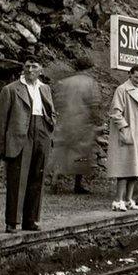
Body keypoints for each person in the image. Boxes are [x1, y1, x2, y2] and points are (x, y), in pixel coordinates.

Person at [0, 55, 57, 233]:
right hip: (19, 135)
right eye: (27, 66)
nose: (30, 70)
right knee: (17, 179)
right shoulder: (11, 89)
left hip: (42, 132)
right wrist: (2, 145)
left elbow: (51, 110)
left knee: (37, 178)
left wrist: (50, 123)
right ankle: (12, 221)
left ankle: (31, 220)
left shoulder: (45, 89)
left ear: (41, 70)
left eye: (34, 66)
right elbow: (1, 121)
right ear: (23, 68)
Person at [47, 55, 101, 195]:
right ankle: (77, 184)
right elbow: (94, 104)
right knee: (81, 154)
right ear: (89, 68)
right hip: (82, 123)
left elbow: (57, 102)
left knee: (62, 151)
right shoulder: (90, 83)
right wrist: (97, 121)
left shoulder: (64, 82)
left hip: (65, 122)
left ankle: (54, 181)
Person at [106, 65, 138, 211]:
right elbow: (115, 112)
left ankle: (129, 199)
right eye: (136, 77)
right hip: (127, 132)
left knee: (136, 169)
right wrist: (124, 127)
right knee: (124, 168)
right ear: (130, 75)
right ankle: (118, 200)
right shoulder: (122, 89)